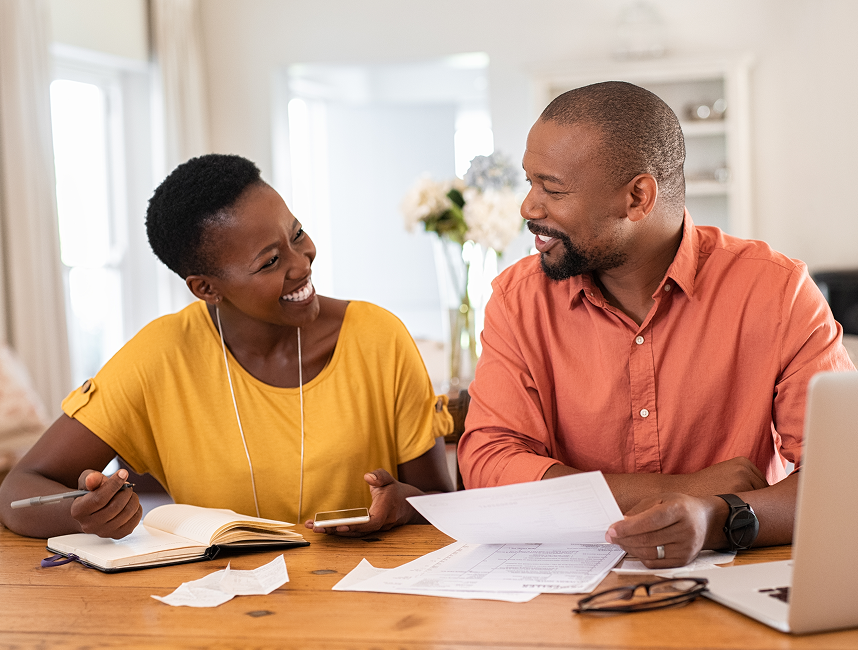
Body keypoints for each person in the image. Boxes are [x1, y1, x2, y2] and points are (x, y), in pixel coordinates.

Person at [458, 81, 855, 568]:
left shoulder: (776, 291)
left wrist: (714, 518)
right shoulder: (518, 301)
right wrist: (677, 491)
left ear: (639, 197)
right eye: (530, 183)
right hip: (562, 592)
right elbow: (488, 463)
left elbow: (841, 476)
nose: (528, 208)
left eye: (553, 189)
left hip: (734, 582)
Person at [0, 154, 453, 540]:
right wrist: (84, 516)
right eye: (271, 261)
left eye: (296, 234)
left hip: (369, 604)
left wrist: (400, 505)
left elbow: (440, 503)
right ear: (205, 288)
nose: (303, 262)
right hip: (219, 606)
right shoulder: (159, 356)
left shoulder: (379, 337)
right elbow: (18, 488)